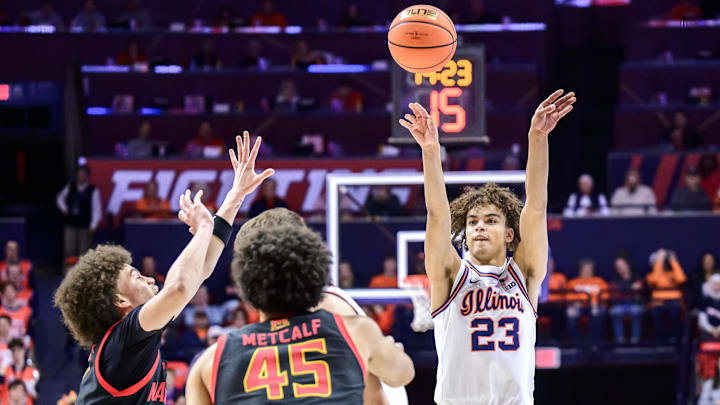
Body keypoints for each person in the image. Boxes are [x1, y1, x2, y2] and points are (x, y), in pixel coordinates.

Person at [53, 132, 274, 403]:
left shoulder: (134, 337)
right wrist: (204, 227)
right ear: (119, 300)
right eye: (135, 275)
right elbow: (179, 288)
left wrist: (236, 196)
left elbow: (200, 270)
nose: (147, 278)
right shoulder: (123, 342)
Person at [398, 90, 576, 403]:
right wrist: (429, 150)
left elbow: (535, 207)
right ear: (464, 235)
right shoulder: (452, 276)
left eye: (491, 220)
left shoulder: (525, 274)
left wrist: (537, 137)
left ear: (510, 234)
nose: (479, 226)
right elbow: (438, 215)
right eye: (472, 222)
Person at [185, 224, 415, 404]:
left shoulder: (210, 360)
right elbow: (402, 375)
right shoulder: (358, 331)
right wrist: (393, 350)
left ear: (247, 288)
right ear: (316, 277)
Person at [56, 165, 102, 262]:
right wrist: (65, 209)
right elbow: (59, 198)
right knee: (69, 249)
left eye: (83, 174)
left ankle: (82, 275)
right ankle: (68, 273)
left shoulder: (93, 190)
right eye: (79, 174)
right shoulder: (70, 187)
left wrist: (93, 225)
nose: (81, 176)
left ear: (87, 176)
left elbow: (96, 209)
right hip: (71, 224)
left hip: (85, 226)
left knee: (84, 251)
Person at [646, 249, 686, 341]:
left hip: (674, 301)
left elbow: (681, 279)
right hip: (659, 302)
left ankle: (675, 339)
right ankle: (661, 340)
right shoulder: (650, 275)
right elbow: (655, 280)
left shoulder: (672, 273)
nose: (662, 263)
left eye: (663, 261)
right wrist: (659, 260)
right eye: (657, 262)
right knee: (656, 314)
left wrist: (673, 260)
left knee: (675, 313)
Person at [565, 259, 608, 345]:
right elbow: (568, 296)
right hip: (578, 306)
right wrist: (576, 302)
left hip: (595, 306)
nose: (588, 271)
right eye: (585, 269)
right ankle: (576, 343)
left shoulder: (599, 281)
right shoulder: (573, 282)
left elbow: (606, 295)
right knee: (571, 314)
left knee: (596, 314)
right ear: (580, 270)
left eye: (590, 269)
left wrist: (596, 303)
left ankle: (594, 344)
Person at [609, 256, 644, 344]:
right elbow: (615, 296)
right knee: (615, 311)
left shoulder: (637, 278)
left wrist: (625, 291)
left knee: (636, 311)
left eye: (621, 265)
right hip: (619, 305)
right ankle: (620, 342)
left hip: (635, 304)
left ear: (628, 265)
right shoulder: (615, 281)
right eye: (617, 266)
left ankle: (635, 342)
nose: (619, 268)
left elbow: (640, 292)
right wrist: (630, 290)